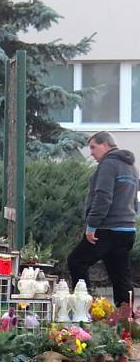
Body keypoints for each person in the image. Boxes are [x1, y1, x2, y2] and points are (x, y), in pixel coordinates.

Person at [67, 131, 138, 306]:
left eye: (93, 147)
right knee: (120, 277)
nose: (91, 153)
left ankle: (84, 308)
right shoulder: (131, 167)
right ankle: (126, 321)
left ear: (105, 145)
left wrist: (91, 226)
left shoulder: (109, 164)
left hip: (107, 229)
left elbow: (103, 197)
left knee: (76, 261)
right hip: (127, 230)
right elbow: (134, 201)